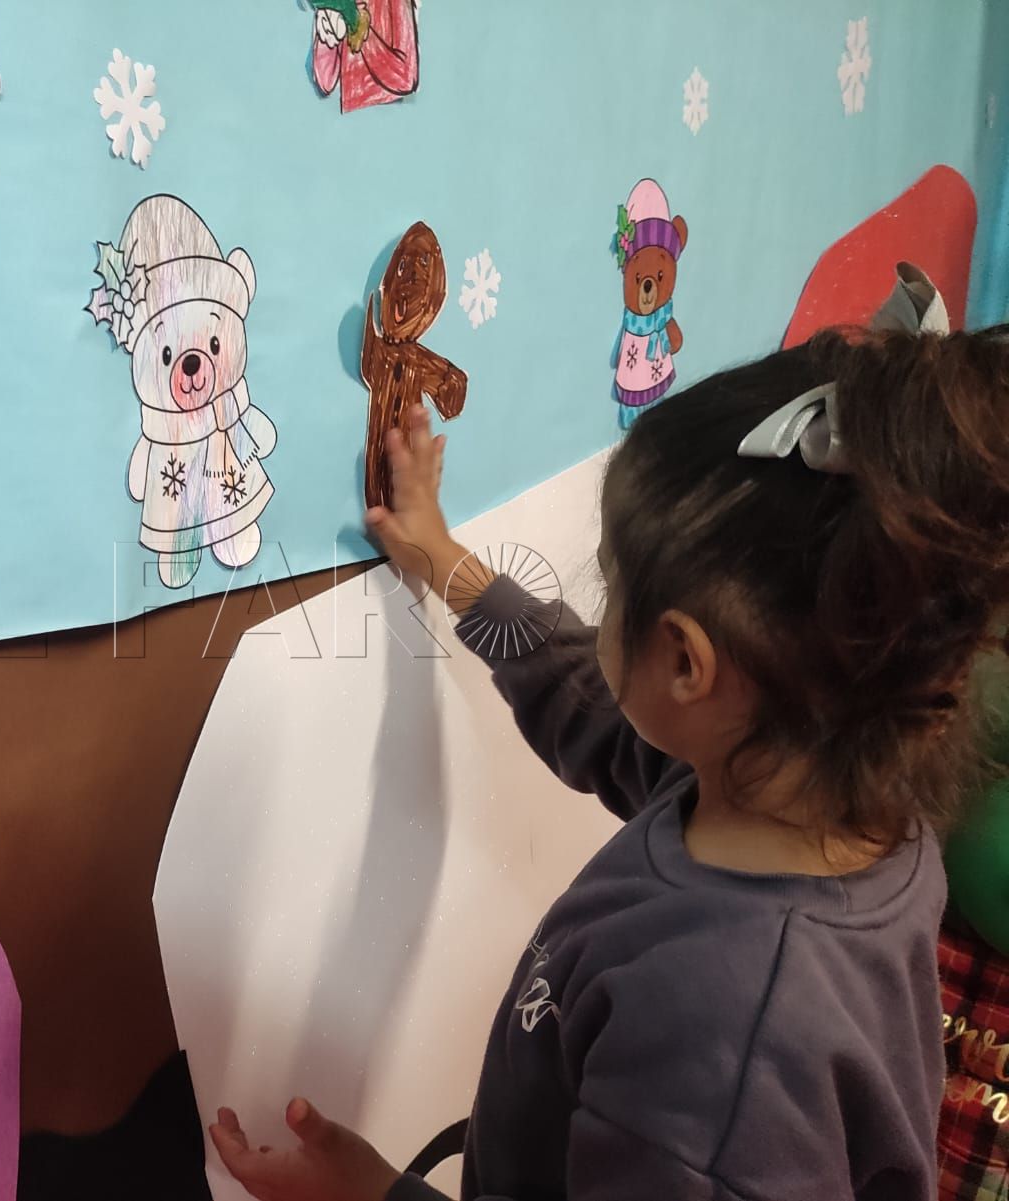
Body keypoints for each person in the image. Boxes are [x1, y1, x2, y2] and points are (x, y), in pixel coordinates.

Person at [210, 320, 1009, 1200]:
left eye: (611, 585)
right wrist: (444, 561)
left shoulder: (719, 1064)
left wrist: (373, 1193)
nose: (599, 616)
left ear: (686, 663)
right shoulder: (821, 798)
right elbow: (591, 702)